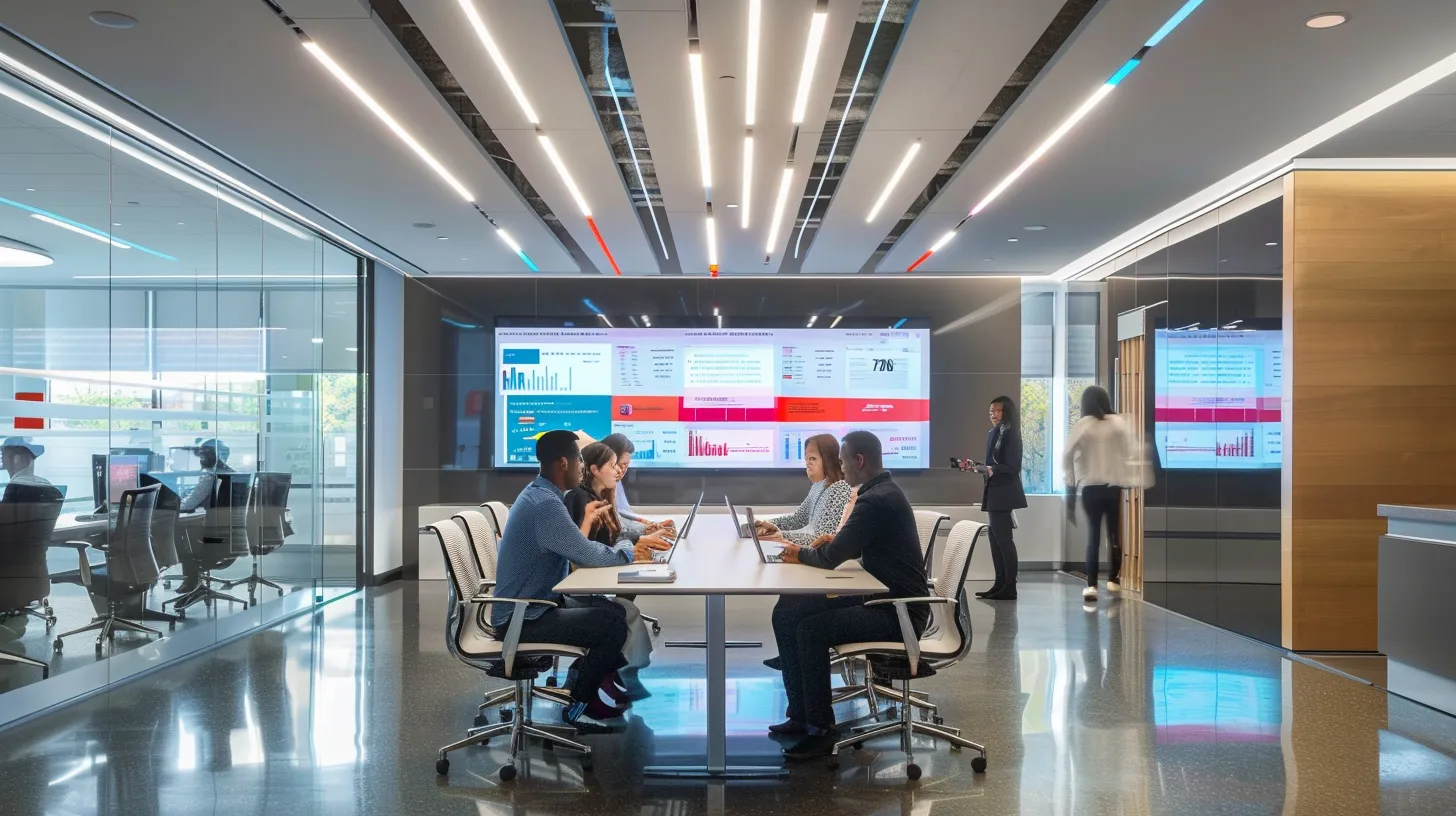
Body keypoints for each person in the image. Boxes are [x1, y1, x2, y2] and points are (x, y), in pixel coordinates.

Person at [769, 431, 929, 760]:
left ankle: (821, 730)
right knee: (788, 611)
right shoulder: (878, 492)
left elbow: (830, 557)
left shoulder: (876, 500)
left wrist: (795, 553)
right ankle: (799, 713)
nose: (840, 468)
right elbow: (848, 545)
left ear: (859, 461)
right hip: (879, 596)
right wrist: (832, 539)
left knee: (810, 629)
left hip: (897, 611)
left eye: (843, 461)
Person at [492, 430, 670, 725]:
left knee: (612, 610)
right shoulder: (546, 504)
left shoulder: (542, 495)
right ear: (563, 463)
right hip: (523, 616)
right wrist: (628, 548)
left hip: (535, 605)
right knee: (611, 625)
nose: (582, 467)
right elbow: (586, 553)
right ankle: (579, 701)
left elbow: (581, 546)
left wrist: (623, 544)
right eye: (578, 460)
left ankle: (595, 681)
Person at [563, 442, 667, 699]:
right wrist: (631, 549)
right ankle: (607, 673)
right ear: (595, 469)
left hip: (594, 572)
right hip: (577, 584)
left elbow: (612, 538)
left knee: (626, 609)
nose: (619, 472)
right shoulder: (579, 498)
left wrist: (636, 543)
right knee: (623, 612)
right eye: (614, 466)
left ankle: (611, 673)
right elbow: (582, 550)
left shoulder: (599, 497)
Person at [1064, 385, 1138, 601]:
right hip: (1113, 487)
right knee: (1114, 533)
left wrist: (1071, 485)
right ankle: (1114, 579)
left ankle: (1092, 586)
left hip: (1090, 487)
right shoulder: (1118, 423)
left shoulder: (1083, 425)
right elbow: (1130, 452)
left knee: (1093, 536)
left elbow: (1067, 454)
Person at [756, 434, 854, 547]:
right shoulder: (819, 484)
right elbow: (798, 519)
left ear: (828, 459)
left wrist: (777, 535)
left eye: (813, 458)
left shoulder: (840, 489)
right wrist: (766, 525)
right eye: (806, 459)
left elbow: (821, 540)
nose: (808, 463)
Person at [976, 396, 1027, 601]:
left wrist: (990, 469)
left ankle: (1009, 586)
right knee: (995, 539)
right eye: (991, 411)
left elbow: (1013, 468)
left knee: (1004, 541)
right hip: (994, 492)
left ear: (1007, 412)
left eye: (997, 411)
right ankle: (999, 584)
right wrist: (979, 467)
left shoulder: (1012, 434)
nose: (993, 415)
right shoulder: (994, 433)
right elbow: (992, 464)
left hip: (1004, 494)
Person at [175, 439, 235, 596]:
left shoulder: (210, 475)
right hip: (230, 539)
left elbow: (190, 504)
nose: (201, 459)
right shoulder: (231, 473)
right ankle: (192, 579)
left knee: (177, 532)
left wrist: (171, 505)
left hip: (213, 541)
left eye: (204, 455)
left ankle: (190, 580)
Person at [599, 433, 674, 538]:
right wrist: (642, 535)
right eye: (622, 465)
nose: (623, 470)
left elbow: (621, 515)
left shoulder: (615, 482)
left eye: (627, 465)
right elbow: (613, 530)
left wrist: (648, 527)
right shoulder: (590, 493)